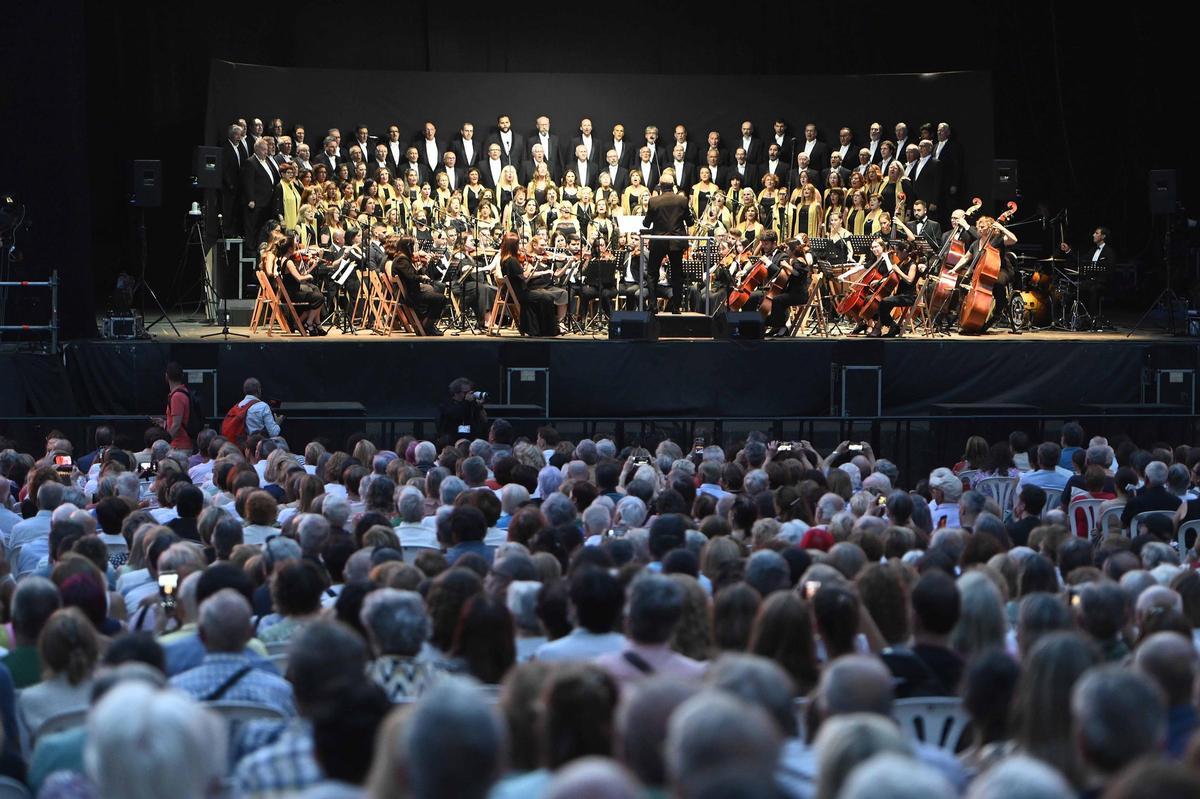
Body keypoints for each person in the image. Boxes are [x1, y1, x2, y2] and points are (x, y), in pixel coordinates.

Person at [642, 173, 694, 313]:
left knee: (652, 274)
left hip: (659, 241)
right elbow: (690, 222)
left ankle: (653, 306)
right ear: (673, 185)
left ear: (660, 185)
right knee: (677, 274)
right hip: (676, 242)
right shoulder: (682, 200)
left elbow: (646, 224)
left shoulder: (654, 201)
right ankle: (676, 307)